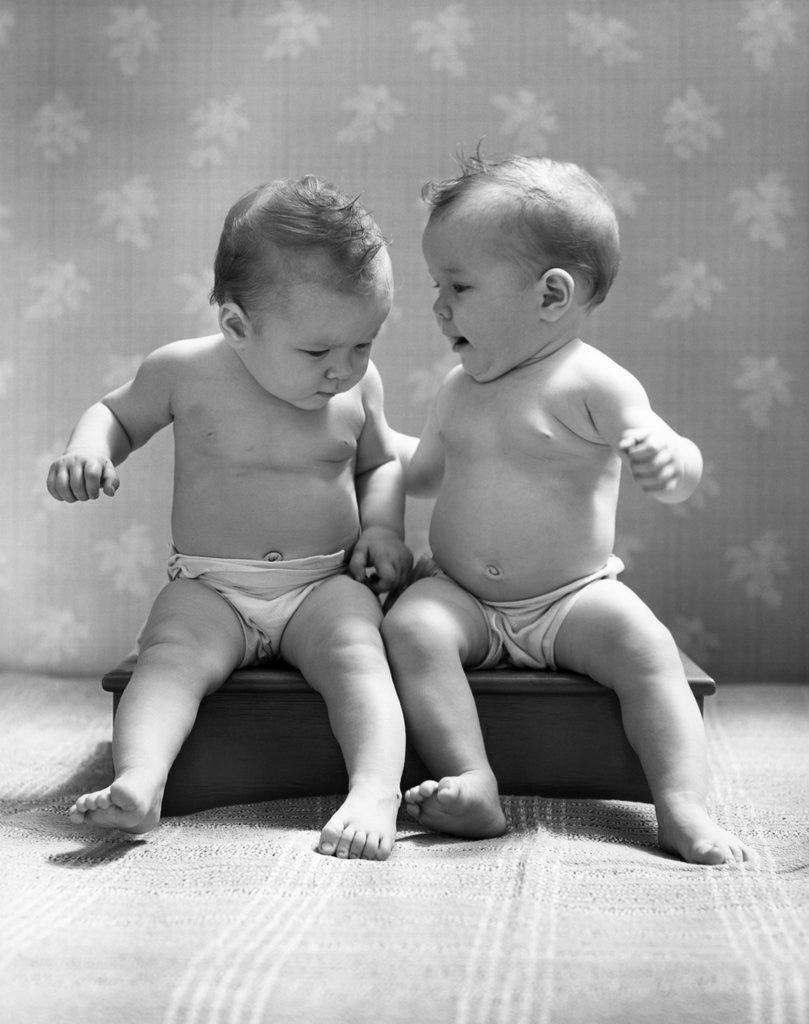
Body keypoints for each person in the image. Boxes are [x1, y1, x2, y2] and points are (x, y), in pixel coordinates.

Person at [383, 153, 753, 866]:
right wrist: (360, 440)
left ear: (551, 295)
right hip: (463, 594)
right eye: (438, 284)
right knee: (411, 626)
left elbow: (678, 466)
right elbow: (422, 472)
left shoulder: (594, 383)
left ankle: (680, 806)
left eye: (457, 285)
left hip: (570, 599)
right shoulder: (458, 388)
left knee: (646, 652)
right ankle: (471, 776)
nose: (438, 305)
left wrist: (668, 459)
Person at [47, 176, 411, 861]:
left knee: (361, 656)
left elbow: (380, 463)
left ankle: (373, 791)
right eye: (317, 352)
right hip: (212, 585)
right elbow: (115, 414)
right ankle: (142, 780)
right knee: (168, 658)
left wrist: (383, 529)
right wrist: (87, 449)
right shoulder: (184, 371)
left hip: (321, 583)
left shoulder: (360, 386)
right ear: (238, 327)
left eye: (363, 344)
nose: (344, 370)